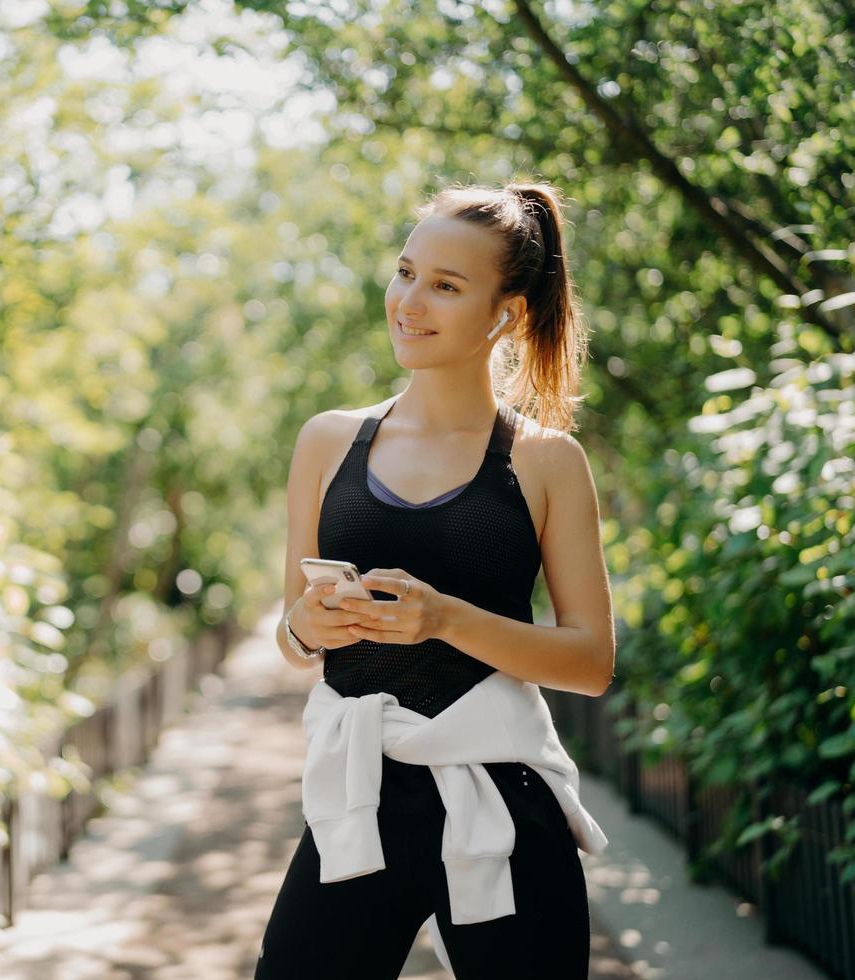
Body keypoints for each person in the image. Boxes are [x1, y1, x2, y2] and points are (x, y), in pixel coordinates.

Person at [255, 180, 616, 979]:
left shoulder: (545, 461)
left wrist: (444, 619)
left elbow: (590, 663)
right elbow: (291, 635)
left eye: (446, 286)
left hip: (503, 801)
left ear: (508, 313)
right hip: (356, 798)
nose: (410, 301)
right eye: (406, 271)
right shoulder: (328, 442)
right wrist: (312, 625)